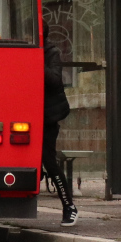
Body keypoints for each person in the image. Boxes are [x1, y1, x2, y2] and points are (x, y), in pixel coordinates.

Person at [42, 30, 78, 226]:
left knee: (49, 161)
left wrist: (35, 60)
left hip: (48, 117)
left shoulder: (51, 52)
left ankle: (69, 206)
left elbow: (55, 79)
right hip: (29, 114)